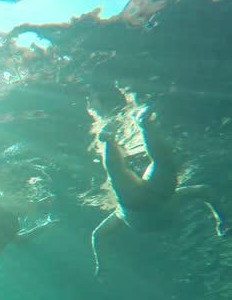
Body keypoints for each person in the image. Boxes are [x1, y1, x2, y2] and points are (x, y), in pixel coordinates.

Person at [91, 111, 227, 279]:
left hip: (146, 201)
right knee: (128, 170)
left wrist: (221, 218)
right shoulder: (178, 197)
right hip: (152, 199)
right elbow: (97, 236)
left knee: (145, 166)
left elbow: (98, 236)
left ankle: (136, 128)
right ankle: (136, 128)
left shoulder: (120, 215)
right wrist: (222, 218)